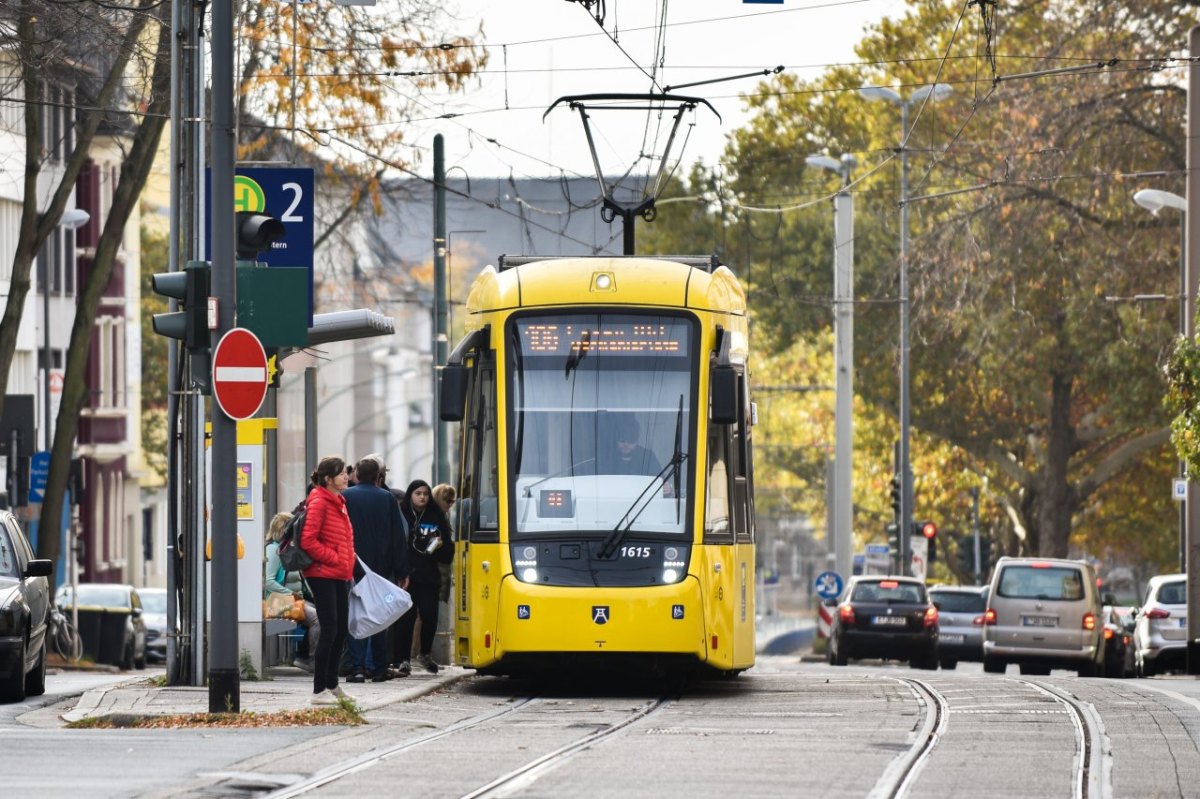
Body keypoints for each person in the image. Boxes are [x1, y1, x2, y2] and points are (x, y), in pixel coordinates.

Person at [342, 456, 410, 683]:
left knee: (355, 614)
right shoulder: (387, 499)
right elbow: (397, 536)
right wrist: (402, 571)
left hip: (352, 566)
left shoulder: (345, 497)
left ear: (357, 475)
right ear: (379, 477)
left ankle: (357, 668)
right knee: (381, 613)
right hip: (382, 568)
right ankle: (380, 668)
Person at [299, 455, 356, 705]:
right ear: (327, 478)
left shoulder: (339, 500)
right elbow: (308, 540)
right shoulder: (320, 502)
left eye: (346, 472)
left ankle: (332, 684)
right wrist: (333, 557)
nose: (346, 476)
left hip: (338, 572)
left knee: (342, 629)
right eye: (341, 473)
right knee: (329, 629)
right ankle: (318, 690)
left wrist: (346, 563)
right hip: (322, 573)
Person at [394, 479, 454, 675]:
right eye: (418, 493)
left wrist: (440, 545)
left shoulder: (436, 516)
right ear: (410, 495)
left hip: (429, 576)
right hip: (407, 576)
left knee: (429, 615)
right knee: (406, 618)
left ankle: (425, 653)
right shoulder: (402, 515)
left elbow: (448, 554)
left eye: (425, 494)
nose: (422, 497)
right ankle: (403, 658)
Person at [263, 511, 320, 671]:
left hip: (291, 599)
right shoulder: (273, 551)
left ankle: (305, 655)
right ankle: (311, 659)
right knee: (317, 619)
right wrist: (290, 594)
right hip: (278, 601)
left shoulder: (285, 549)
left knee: (323, 613)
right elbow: (269, 582)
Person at [431, 484, 457, 603]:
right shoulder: (436, 517)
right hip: (437, 568)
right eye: (447, 501)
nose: (450, 504)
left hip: (442, 568)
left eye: (452, 501)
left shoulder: (443, 516)